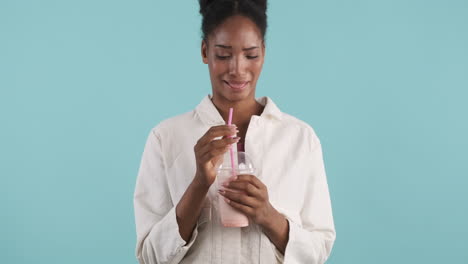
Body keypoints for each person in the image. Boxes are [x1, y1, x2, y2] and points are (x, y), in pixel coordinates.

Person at [133, 0, 336, 263]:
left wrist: (268, 216)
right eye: (223, 54)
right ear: (205, 51)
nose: (238, 69)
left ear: (263, 52)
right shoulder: (166, 138)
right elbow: (150, 256)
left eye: (250, 55)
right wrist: (199, 185)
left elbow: (318, 251)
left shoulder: (300, 139)